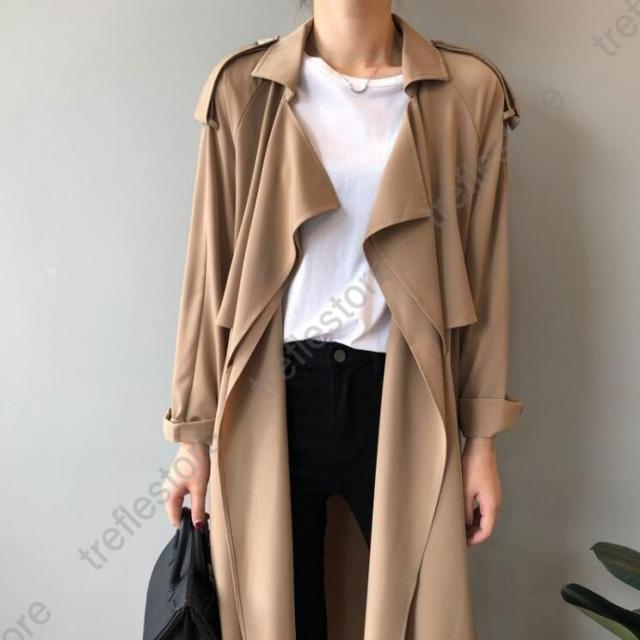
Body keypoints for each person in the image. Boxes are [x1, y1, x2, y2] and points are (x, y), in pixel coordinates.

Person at [160, 2, 524, 638]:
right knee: (276, 614)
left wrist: (482, 442)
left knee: (417, 613)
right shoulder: (245, 88)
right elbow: (208, 272)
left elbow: (485, 275)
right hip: (270, 396)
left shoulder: (468, 92)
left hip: (405, 396)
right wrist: (194, 437)